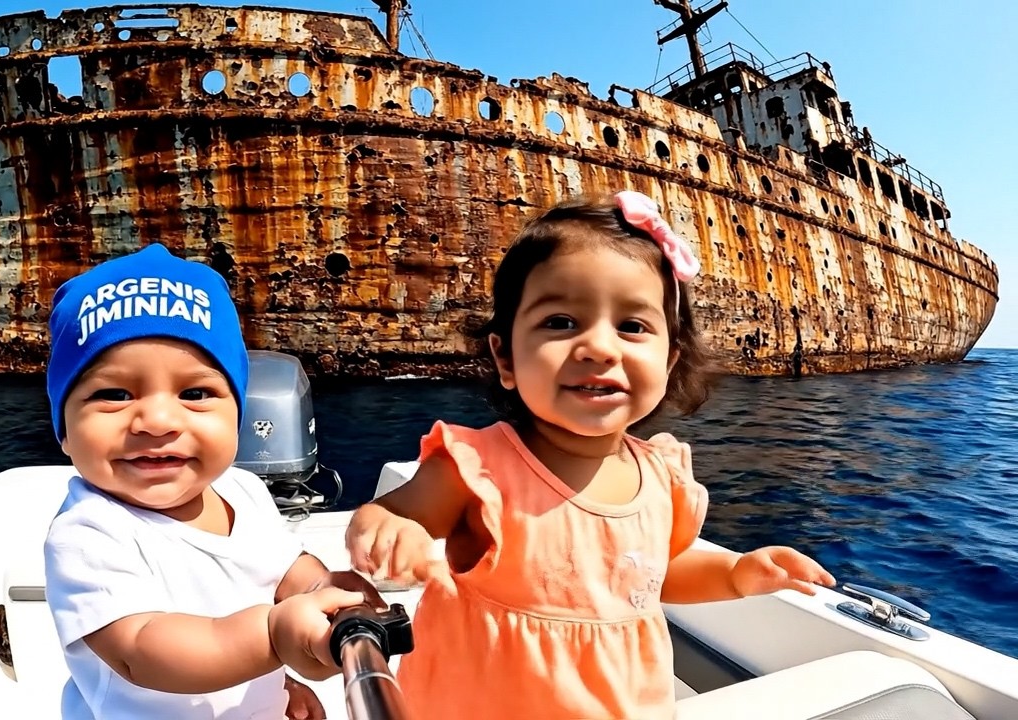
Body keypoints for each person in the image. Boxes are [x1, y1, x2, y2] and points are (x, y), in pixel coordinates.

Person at [345, 192, 836, 719]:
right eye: (559, 322)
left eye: (632, 326)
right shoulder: (478, 469)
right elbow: (385, 515)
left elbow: (653, 576)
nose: (599, 347)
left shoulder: (661, 475)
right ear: (505, 357)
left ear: (669, 361)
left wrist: (737, 573)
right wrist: (392, 531)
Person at [42, 243, 375, 720]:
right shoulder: (89, 535)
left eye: (195, 392)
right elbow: (142, 649)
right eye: (113, 394)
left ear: (238, 413)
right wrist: (275, 640)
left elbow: (283, 570)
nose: (157, 420)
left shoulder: (243, 490)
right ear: (65, 430)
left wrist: (326, 591)